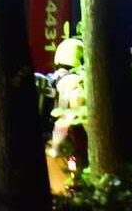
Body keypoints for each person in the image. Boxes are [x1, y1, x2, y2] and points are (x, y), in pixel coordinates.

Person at [46, 36, 88, 184]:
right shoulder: (75, 81)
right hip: (75, 139)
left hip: (62, 141)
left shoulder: (56, 80)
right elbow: (66, 117)